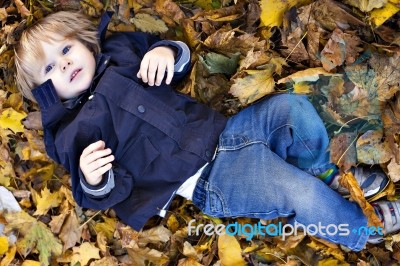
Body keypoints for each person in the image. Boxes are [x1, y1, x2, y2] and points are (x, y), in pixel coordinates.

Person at [14, 10, 399, 251]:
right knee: (292, 190)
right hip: (211, 179)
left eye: (65, 52)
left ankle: (322, 173)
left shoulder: (120, 53)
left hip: (230, 132)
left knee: (291, 109)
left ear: (84, 43)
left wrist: (165, 52)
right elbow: (103, 193)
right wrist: (93, 177)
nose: (63, 66)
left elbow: (177, 62)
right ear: (45, 93)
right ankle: (360, 229)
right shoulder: (71, 133)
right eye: (49, 71)